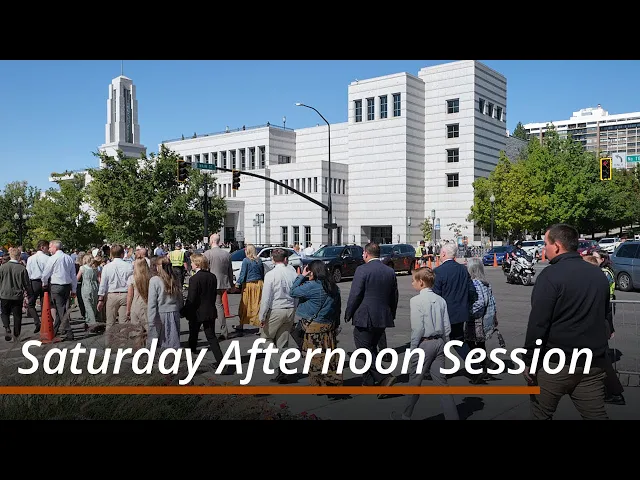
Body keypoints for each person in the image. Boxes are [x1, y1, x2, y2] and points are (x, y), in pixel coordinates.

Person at [523, 224, 610, 420]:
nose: (544, 249)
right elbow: (605, 317)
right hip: (591, 362)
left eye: (545, 244)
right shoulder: (598, 274)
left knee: (541, 414)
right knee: (596, 415)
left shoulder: (550, 276)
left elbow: (538, 323)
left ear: (557, 246)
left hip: (556, 363)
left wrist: (530, 360)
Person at [390, 267, 459, 420]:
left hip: (424, 344)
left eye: (413, 280)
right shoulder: (440, 300)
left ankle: (405, 416)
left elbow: (418, 328)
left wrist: (413, 348)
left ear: (421, 282)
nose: (412, 283)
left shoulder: (416, 301)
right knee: (442, 383)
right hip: (439, 342)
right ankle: (452, 416)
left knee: (414, 382)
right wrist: (445, 344)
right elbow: (447, 326)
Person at [344, 242, 398, 397]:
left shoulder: (362, 270)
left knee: (363, 349)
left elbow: (355, 294)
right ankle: (368, 381)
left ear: (366, 254)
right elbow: (394, 295)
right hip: (382, 316)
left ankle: (384, 377)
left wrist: (348, 312)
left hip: (365, 316)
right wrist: (391, 313)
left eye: (363, 253)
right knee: (371, 348)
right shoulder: (389, 271)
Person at [290, 259, 343, 394]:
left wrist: (301, 276)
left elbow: (293, 292)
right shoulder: (333, 287)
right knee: (329, 354)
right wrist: (336, 324)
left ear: (313, 272)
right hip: (329, 326)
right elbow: (338, 308)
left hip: (314, 327)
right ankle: (331, 379)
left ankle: (318, 385)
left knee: (313, 356)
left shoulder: (312, 286)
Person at [181, 253, 232, 374]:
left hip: (197, 313)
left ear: (197, 263)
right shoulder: (212, 277)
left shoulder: (194, 279)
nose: (191, 264)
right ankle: (222, 364)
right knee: (212, 338)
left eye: (192, 262)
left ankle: (189, 364)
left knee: (193, 338)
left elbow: (192, 298)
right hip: (209, 310)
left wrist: (184, 311)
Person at [585, 252, 625, 406]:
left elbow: (605, 307)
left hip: (595, 327)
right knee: (598, 359)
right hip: (598, 325)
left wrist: (609, 326)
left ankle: (613, 392)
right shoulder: (597, 279)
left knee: (600, 360)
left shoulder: (598, 280)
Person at [258, 248, 299, 384]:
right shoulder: (293, 272)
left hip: (276, 308)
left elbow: (266, 298)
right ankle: (282, 371)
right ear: (286, 259)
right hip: (290, 308)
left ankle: (281, 367)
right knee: (282, 341)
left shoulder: (271, 274)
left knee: (265, 339)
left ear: (272, 260)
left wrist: (262, 316)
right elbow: (296, 294)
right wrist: (294, 308)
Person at [432, 242, 477, 367]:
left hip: (444, 314)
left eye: (440, 253)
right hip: (461, 312)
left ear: (444, 254)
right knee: (458, 340)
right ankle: (476, 366)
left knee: (438, 342)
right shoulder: (463, 269)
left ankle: (434, 369)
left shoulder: (438, 271)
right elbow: (472, 290)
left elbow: (435, 296)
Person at [465, 258, 498, 384]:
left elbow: (480, 303)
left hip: (476, 319)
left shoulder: (474, 284)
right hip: (486, 318)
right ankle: (485, 366)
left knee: (469, 342)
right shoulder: (486, 283)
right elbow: (492, 301)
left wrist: (468, 312)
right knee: (480, 344)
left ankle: (484, 364)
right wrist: (494, 316)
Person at [41, 240, 78, 341]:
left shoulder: (52, 258)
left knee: (61, 309)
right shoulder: (68, 258)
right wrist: (74, 289)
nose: (49, 249)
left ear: (55, 247)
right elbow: (73, 275)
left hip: (56, 285)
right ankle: (54, 330)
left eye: (50, 247)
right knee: (59, 309)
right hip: (67, 286)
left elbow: (46, 273)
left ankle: (69, 332)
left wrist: (44, 283)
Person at [147, 256, 183, 350]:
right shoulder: (175, 278)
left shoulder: (155, 280)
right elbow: (180, 297)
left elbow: (152, 302)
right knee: (172, 339)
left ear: (159, 266)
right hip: (174, 311)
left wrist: (151, 319)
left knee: (158, 340)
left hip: (161, 313)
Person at [203, 233, 233, 340]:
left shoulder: (207, 254)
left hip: (211, 283)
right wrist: (231, 284)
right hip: (223, 283)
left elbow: (205, 270)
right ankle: (223, 330)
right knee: (219, 306)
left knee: (213, 306)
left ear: (211, 241)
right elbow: (230, 270)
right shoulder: (226, 254)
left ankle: (216, 330)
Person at [0, 247, 34, 342]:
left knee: (5, 313)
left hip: (4, 294)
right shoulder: (22, 268)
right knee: (17, 316)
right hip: (17, 295)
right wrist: (30, 293)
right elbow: (26, 283)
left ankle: (7, 327)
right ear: (19, 256)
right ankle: (16, 335)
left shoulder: (2, 267)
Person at [234, 244, 265, 335]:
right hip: (259, 284)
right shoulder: (259, 260)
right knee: (258, 306)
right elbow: (262, 273)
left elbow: (243, 274)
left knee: (245, 306)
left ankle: (241, 325)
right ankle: (260, 326)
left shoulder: (246, 260)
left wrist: (238, 284)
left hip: (249, 285)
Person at [25, 239, 50, 334]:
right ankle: (45, 322)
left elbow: (28, 272)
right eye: (47, 247)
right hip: (45, 282)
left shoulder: (31, 258)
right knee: (45, 303)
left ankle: (37, 321)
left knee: (31, 304)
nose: (48, 249)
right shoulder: (47, 258)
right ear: (42, 247)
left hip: (34, 282)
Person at [126, 258, 152, 345]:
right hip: (147, 304)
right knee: (149, 331)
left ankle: (139, 350)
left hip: (135, 305)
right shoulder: (150, 278)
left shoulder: (132, 278)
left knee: (137, 333)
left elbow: (130, 295)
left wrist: (128, 309)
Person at [77, 254, 99, 327]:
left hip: (86, 287)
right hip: (95, 287)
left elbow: (77, 278)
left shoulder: (82, 268)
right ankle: (88, 320)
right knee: (93, 304)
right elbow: (99, 279)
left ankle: (92, 322)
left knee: (88, 305)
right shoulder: (95, 268)